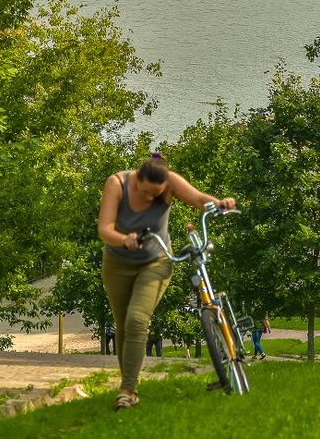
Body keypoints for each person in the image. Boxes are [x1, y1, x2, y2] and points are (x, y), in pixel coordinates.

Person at [99, 154, 236, 411]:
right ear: (137, 178)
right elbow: (104, 229)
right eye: (147, 193)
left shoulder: (170, 181)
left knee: (137, 319)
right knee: (122, 326)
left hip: (156, 262)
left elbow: (198, 199)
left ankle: (128, 391)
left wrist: (219, 203)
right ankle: (129, 382)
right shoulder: (116, 184)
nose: (151, 199)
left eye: (157, 194)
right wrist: (123, 239)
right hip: (117, 263)